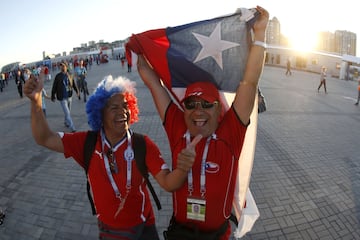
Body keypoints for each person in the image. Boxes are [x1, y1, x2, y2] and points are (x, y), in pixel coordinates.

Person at [136, 5, 269, 240]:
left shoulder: (231, 131)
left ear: (220, 111)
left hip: (217, 235)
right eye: (191, 104)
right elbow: (154, 84)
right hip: (179, 234)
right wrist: (138, 50)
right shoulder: (178, 126)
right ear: (183, 108)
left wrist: (260, 35)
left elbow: (249, 82)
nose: (198, 111)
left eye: (207, 104)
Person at [24, 70, 201, 240]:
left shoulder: (142, 144)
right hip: (109, 231)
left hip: (143, 227)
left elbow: (168, 183)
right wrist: (36, 102)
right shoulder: (87, 142)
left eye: (125, 106)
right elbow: (44, 138)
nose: (122, 112)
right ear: (100, 113)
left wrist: (183, 168)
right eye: (114, 107)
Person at [51, 62, 79, 132]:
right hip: (62, 97)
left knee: (68, 111)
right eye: (61, 66)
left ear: (66, 67)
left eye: (63, 66)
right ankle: (73, 128)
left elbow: (73, 84)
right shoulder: (58, 76)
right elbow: (54, 86)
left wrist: (77, 91)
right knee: (67, 113)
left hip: (69, 96)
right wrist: (53, 95)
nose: (62, 67)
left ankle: (66, 122)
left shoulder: (69, 75)